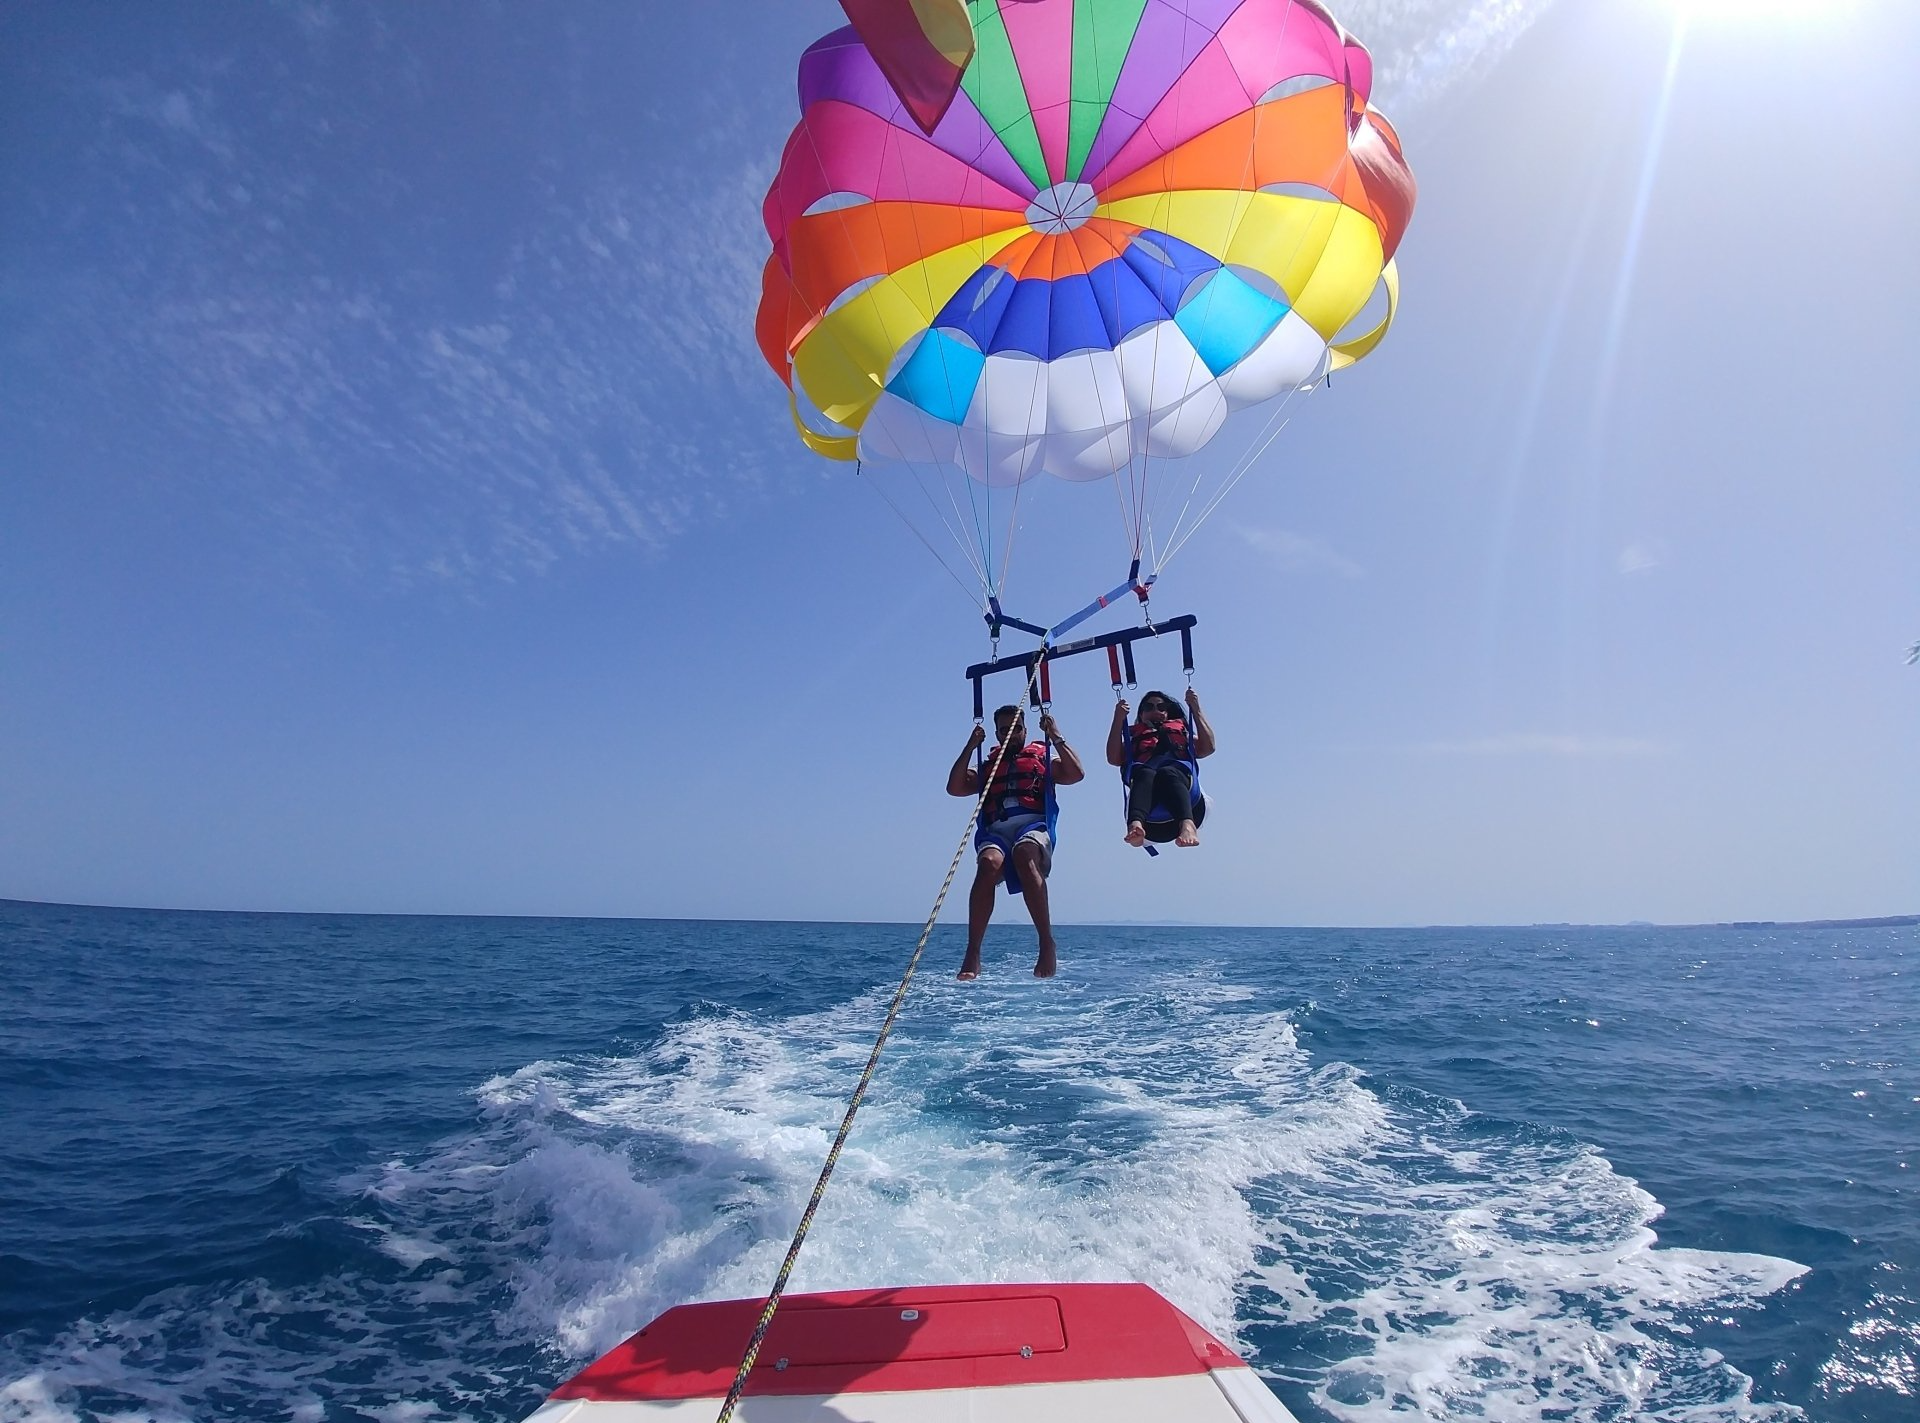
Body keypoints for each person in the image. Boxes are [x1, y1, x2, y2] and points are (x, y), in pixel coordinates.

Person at [946, 704, 1085, 980]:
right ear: (997, 734)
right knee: (988, 863)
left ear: (1025, 729)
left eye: (1016, 728)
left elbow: (1076, 774)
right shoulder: (987, 767)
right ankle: (973, 951)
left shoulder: (1043, 758)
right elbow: (955, 787)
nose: (1010, 734)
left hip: (1033, 826)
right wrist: (970, 745)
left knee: (1024, 853)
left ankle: (1046, 942)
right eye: (1004, 730)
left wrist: (1055, 734)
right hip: (996, 832)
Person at [1107, 687, 1215, 848]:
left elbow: (1208, 748)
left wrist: (1195, 708)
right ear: (1141, 714)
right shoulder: (1134, 741)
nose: (1155, 710)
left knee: (1167, 772)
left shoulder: (1182, 734)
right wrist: (1118, 719)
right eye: (1148, 707)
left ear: (1167, 712)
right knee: (1144, 772)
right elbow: (1113, 758)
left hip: (1192, 809)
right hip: (1152, 827)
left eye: (1161, 707)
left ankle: (1188, 825)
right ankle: (1136, 826)